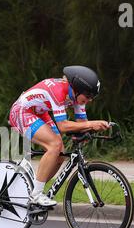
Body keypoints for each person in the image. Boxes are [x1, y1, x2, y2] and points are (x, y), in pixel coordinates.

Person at [9, 65, 110, 207]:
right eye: (88, 96)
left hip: (40, 113)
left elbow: (82, 123)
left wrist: (94, 129)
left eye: (92, 97)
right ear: (77, 89)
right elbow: (63, 126)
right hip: (22, 111)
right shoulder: (58, 90)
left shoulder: (77, 97)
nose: (90, 100)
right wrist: (91, 124)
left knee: (61, 153)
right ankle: (36, 195)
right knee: (54, 145)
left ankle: (37, 188)